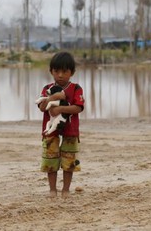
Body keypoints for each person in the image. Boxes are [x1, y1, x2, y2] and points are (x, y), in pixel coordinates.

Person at [36, 51, 85, 198]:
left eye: (65, 71)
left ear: (72, 72)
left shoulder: (76, 88)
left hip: (70, 130)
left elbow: (78, 107)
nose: (60, 75)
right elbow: (42, 107)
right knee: (50, 159)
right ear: (51, 71)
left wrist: (60, 109)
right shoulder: (47, 89)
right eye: (56, 71)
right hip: (50, 131)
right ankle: (52, 189)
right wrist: (53, 97)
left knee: (69, 160)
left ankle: (65, 189)